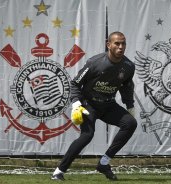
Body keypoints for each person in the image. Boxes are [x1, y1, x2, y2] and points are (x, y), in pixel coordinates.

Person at [51, 31, 137, 181]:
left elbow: (126, 86)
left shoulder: (129, 66)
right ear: (108, 44)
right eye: (117, 43)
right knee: (87, 135)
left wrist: (130, 106)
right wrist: (76, 104)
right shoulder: (94, 63)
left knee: (130, 123)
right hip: (88, 105)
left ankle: (104, 163)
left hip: (109, 105)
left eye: (123, 43)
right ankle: (59, 171)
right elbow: (75, 83)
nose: (121, 46)